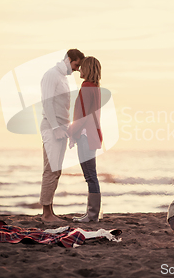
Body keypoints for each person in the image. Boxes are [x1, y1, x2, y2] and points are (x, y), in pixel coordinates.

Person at [39, 49, 84, 222]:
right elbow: (47, 102)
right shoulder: (51, 75)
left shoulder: (64, 78)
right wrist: (56, 127)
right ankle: (46, 214)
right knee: (50, 169)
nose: (77, 69)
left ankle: (50, 210)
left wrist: (68, 129)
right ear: (68, 59)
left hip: (62, 128)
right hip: (51, 128)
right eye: (76, 65)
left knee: (57, 171)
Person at [67, 56, 103, 222]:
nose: (79, 70)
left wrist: (72, 132)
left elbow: (82, 115)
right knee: (91, 175)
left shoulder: (87, 86)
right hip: (92, 135)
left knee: (90, 176)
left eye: (82, 67)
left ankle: (92, 215)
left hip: (86, 136)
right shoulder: (95, 87)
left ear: (87, 69)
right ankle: (91, 214)